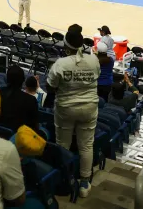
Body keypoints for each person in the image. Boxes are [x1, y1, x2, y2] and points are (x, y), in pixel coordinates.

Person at [47, 24, 100, 197]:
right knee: (86, 145)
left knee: (63, 144)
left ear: (66, 45)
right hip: (89, 108)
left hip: (66, 108)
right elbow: (96, 77)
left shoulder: (60, 64)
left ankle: (64, 180)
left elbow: (50, 86)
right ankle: (84, 182)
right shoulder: (93, 60)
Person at [0, 64, 40, 135]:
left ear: (7, 79)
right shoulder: (31, 100)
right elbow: (35, 127)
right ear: (23, 81)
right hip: (19, 137)